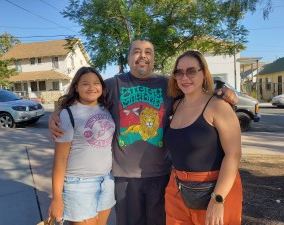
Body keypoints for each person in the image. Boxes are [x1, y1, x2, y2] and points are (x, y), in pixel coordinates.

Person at [49, 40, 238, 225]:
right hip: (124, 176)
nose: (143, 56)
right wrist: (58, 112)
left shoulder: (169, 85)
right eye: (137, 51)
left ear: (153, 58)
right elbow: (84, 94)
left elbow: (197, 91)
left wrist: (225, 92)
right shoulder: (113, 84)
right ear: (129, 57)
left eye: (148, 52)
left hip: (162, 174)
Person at [164, 50, 242, 225]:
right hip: (176, 188)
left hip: (215, 189)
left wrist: (218, 199)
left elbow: (234, 155)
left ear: (204, 73)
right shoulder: (175, 106)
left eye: (191, 71)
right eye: (179, 72)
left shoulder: (218, 106)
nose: (185, 77)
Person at [48, 67, 116, 225]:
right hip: (79, 185)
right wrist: (57, 199)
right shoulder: (68, 114)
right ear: (76, 87)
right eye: (85, 83)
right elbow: (60, 159)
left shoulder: (106, 108)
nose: (92, 87)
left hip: (107, 181)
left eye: (96, 83)